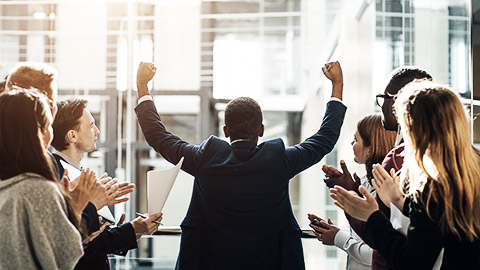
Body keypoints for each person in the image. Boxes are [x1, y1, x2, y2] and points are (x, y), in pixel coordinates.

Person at [134, 61, 346, 270]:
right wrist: (337, 85)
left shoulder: (204, 158)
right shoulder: (280, 160)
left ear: (225, 130)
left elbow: (158, 137)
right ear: (261, 130)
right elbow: (324, 140)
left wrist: (142, 86)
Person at [330, 80, 480, 269]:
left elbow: (411, 262)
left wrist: (371, 217)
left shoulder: (432, 186)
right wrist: (401, 202)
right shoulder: (469, 174)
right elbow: (444, 225)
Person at [322, 66, 432, 270]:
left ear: (399, 102)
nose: (380, 105)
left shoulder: (400, 160)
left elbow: (381, 240)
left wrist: (352, 204)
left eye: (384, 97)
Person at [51, 98, 163, 270]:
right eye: (91, 125)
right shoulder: (57, 175)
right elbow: (75, 241)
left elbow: (93, 240)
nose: (97, 131)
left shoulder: (79, 172)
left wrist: (125, 231)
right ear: (72, 135)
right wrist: (131, 230)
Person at [0, 90, 97, 269]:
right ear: (35, 132)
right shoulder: (38, 189)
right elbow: (63, 258)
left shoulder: (7, 185)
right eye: (47, 125)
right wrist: (75, 210)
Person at [309, 114, 396, 270]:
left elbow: (377, 252)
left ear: (370, 149)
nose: (351, 143)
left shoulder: (387, 189)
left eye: (356, 140)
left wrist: (338, 238)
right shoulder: (363, 183)